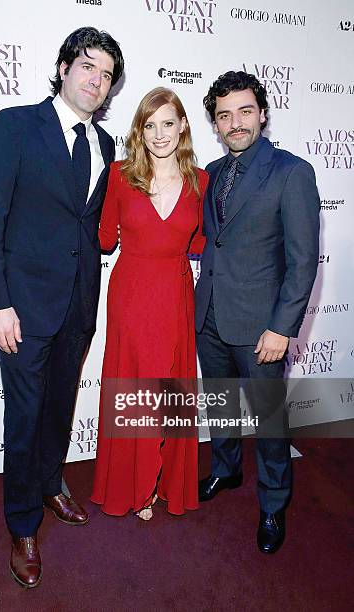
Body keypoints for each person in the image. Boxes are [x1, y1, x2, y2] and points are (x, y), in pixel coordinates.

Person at [0, 27, 124, 588]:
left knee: (60, 407)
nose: (96, 81)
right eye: (88, 67)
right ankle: (22, 523)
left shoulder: (107, 147)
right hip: (23, 307)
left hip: (79, 301)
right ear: (63, 68)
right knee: (25, 415)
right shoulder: (15, 125)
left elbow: (94, 227)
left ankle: (50, 481)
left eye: (107, 76)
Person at [195, 71, 320, 553]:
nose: (236, 123)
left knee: (269, 421)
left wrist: (282, 327)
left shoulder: (292, 172)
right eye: (224, 115)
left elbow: (303, 259)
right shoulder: (212, 172)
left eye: (245, 111)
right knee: (221, 406)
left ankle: (273, 503)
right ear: (216, 123)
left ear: (262, 113)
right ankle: (225, 469)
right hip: (211, 316)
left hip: (261, 326)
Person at [91, 87, 209, 520]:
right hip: (132, 293)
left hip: (176, 295)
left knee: (170, 390)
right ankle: (134, 485)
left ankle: (163, 482)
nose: (160, 134)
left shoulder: (201, 180)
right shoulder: (120, 174)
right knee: (136, 387)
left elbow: (198, 241)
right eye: (150, 124)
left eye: (168, 123)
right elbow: (104, 238)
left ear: (182, 127)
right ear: (140, 130)